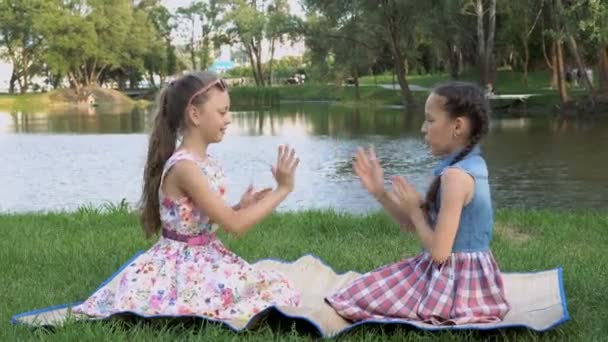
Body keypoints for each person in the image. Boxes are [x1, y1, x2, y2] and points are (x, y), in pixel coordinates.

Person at [72, 71, 301, 322]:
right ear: (194, 114)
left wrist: (240, 206)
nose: (229, 119)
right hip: (182, 266)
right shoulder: (185, 168)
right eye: (222, 112)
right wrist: (283, 189)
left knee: (273, 286)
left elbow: (199, 218)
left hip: (207, 254)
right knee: (268, 295)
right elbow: (236, 225)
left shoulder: (205, 161)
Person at [326, 81, 510, 325]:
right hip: (461, 271)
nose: (423, 128)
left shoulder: (456, 177)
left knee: (356, 295)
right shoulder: (467, 164)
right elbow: (414, 223)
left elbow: (440, 253)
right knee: (364, 287)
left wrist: (415, 209)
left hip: (457, 280)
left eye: (430, 120)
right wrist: (380, 191)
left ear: (457, 126)